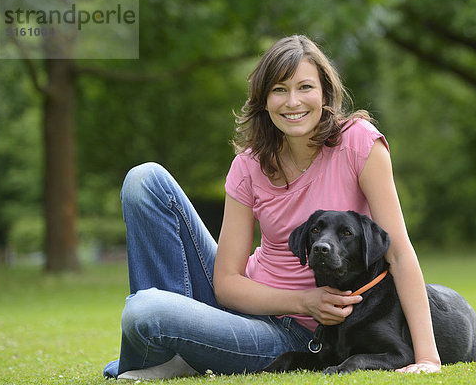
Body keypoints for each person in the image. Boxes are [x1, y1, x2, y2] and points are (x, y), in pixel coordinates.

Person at [103, 34, 441, 380]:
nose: (292, 102)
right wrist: (302, 300)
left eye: (305, 87)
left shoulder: (359, 144)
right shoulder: (248, 164)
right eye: (279, 90)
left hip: (300, 337)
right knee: (144, 179)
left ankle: (168, 352)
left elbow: (399, 254)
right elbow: (227, 282)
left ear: (325, 93)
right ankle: (170, 352)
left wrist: (427, 355)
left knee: (143, 311)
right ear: (264, 100)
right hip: (247, 307)